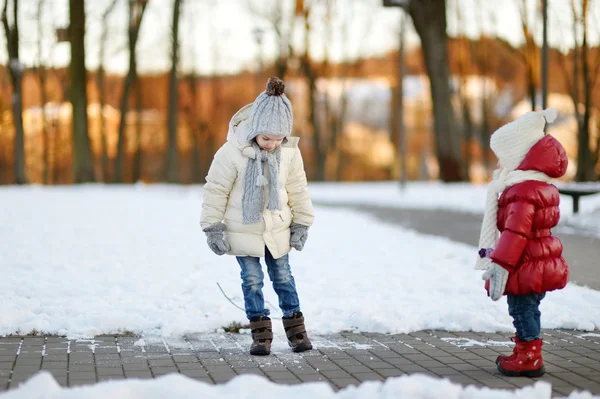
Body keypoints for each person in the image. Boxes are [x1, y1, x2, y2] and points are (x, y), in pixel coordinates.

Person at [200, 77, 314, 356]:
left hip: (277, 229)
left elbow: (298, 187)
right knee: (251, 280)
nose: (271, 145)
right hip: (243, 229)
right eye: (266, 138)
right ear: (254, 131)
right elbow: (215, 190)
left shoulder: (288, 153)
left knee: (283, 277)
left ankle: (296, 331)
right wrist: (213, 227)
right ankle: (260, 335)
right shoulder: (231, 153)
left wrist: (302, 221)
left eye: (278, 139)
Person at [475, 107, 569, 377]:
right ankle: (526, 349)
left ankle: (530, 357)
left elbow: (515, 234)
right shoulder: (531, 184)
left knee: (522, 308)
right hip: (531, 258)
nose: (498, 165)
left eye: (502, 159)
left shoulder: (523, 191)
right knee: (527, 307)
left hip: (525, 261)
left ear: (518, 158)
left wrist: (500, 265)